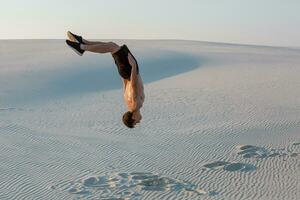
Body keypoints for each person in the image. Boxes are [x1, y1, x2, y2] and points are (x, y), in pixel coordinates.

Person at [65, 31, 145, 128]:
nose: (138, 122)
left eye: (135, 122)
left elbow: (133, 85)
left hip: (130, 72)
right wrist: (124, 70)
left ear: (133, 117)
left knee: (112, 47)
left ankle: (81, 47)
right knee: (112, 46)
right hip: (126, 74)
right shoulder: (129, 104)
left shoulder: (136, 105)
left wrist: (133, 67)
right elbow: (125, 85)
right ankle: (83, 42)